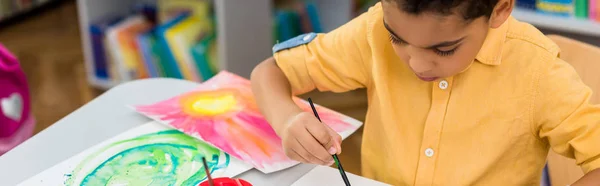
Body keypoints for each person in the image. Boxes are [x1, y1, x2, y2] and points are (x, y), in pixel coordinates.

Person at [251, 0, 600, 185]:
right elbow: (270, 72)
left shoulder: (536, 71)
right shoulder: (372, 29)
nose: (416, 63)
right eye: (396, 38)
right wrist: (287, 120)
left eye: (444, 49)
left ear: (500, 9)